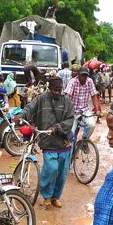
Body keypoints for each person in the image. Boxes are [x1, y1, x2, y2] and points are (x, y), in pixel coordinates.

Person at [15, 77, 74, 208]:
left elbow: (70, 120)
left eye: (59, 90)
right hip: (48, 141)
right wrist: (21, 115)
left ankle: (55, 197)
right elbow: (29, 108)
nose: (57, 92)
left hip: (64, 142)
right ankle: (47, 196)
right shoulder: (41, 99)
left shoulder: (67, 102)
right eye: (55, 90)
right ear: (49, 88)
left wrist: (56, 128)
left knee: (62, 173)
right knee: (51, 169)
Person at [65, 66, 102, 143]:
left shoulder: (89, 81)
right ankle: (69, 150)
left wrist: (97, 110)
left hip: (85, 110)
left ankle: (85, 141)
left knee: (92, 125)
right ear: (78, 75)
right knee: (71, 132)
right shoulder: (73, 82)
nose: (84, 77)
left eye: (86, 75)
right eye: (82, 75)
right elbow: (67, 96)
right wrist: (67, 111)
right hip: (73, 111)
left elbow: (94, 96)